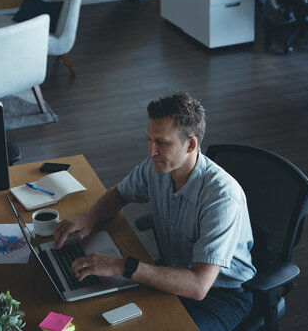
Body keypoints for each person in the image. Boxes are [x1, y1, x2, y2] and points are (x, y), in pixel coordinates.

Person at [54, 92, 256, 331]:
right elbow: (120, 194)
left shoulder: (222, 198)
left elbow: (198, 286)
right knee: (96, 312)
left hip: (221, 296)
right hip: (173, 273)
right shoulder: (158, 167)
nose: (151, 151)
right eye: (149, 139)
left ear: (190, 144)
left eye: (162, 142)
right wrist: (89, 217)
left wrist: (123, 266)